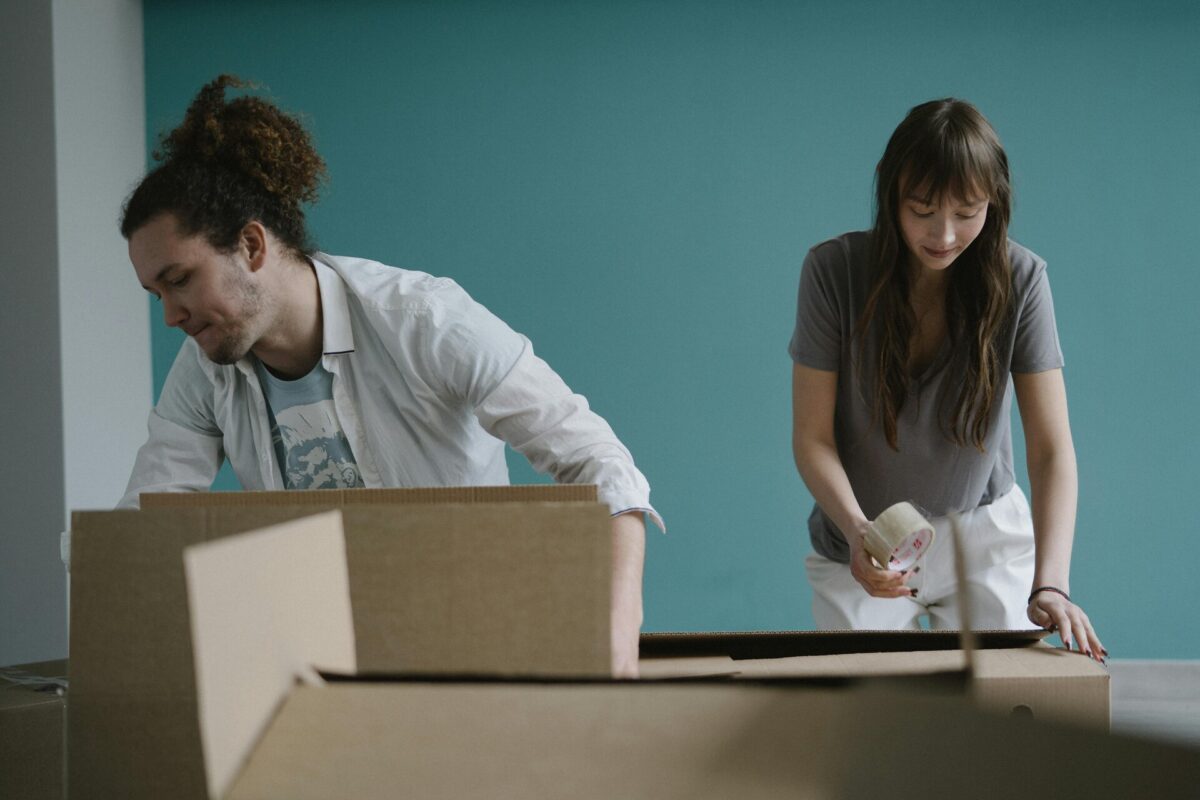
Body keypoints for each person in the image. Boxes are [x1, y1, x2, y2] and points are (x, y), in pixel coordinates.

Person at [115, 75, 661, 676]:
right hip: (319, 666)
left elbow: (600, 465)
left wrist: (615, 644)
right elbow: (142, 528)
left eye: (180, 279)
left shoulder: (423, 319)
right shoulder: (204, 368)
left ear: (251, 245)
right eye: (154, 293)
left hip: (471, 651)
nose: (170, 315)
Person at [789, 98, 1104, 660]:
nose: (944, 234)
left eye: (968, 211)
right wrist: (860, 532)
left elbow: (1053, 450)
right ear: (890, 195)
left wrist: (1051, 583)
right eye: (922, 209)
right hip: (867, 532)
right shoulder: (832, 272)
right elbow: (812, 437)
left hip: (983, 532)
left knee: (1004, 710)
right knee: (858, 712)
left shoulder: (1022, 279)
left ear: (995, 200)